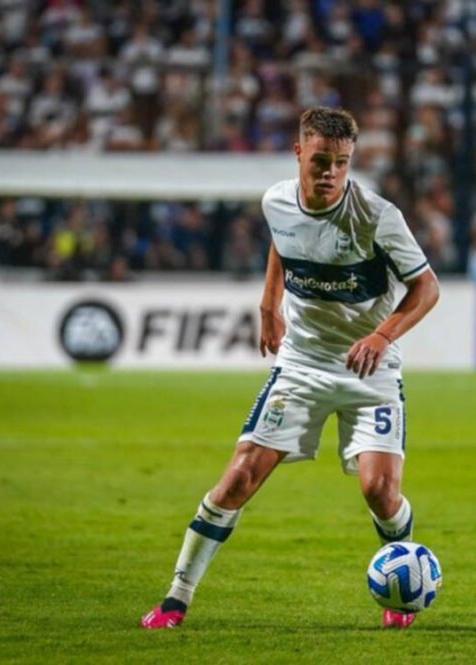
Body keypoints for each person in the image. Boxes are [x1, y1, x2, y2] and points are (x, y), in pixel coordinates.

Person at [140, 107, 440, 630]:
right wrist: (269, 302)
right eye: (321, 160)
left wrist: (381, 335)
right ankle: (176, 597)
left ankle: (402, 580)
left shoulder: (377, 216)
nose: (331, 172)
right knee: (238, 477)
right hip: (302, 362)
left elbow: (427, 288)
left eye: (342, 162)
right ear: (299, 153)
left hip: (369, 368)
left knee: (379, 491)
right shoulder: (275, 201)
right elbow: (284, 240)